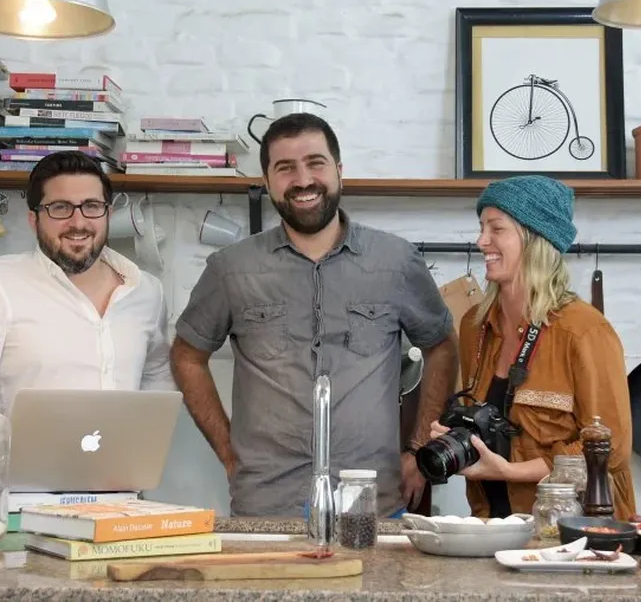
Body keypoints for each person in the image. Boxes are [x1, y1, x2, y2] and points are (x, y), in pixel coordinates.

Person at [172, 112, 459, 518]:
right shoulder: (230, 269)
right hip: (268, 503)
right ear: (268, 181)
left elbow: (441, 346)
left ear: (339, 171)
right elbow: (187, 355)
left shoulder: (396, 262)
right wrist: (227, 448)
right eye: (285, 168)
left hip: (371, 500)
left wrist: (418, 450)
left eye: (315, 163)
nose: (303, 180)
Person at [429, 175, 635, 521]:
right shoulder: (474, 327)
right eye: (481, 227)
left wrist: (509, 471)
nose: (481, 241)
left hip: (574, 535)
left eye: (497, 229)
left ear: (535, 239)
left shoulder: (584, 331)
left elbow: (610, 451)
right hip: (492, 526)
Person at [0, 151, 174, 416]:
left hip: (121, 458)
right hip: (26, 457)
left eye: (92, 206)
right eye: (60, 207)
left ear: (108, 214)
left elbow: (157, 376)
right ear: (34, 219)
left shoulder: (146, 291)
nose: (78, 222)